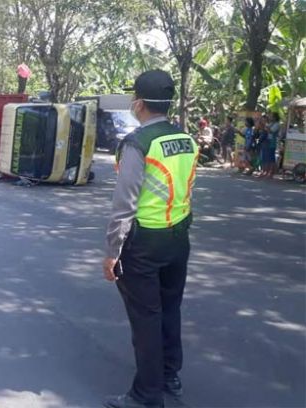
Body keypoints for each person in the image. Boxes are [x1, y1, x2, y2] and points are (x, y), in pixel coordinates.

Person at [103, 70, 198, 408]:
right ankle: (170, 375)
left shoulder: (137, 143)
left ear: (139, 103)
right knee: (169, 308)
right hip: (178, 238)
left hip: (143, 244)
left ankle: (146, 395)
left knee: (145, 317)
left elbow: (124, 202)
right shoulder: (186, 139)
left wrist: (113, 251)